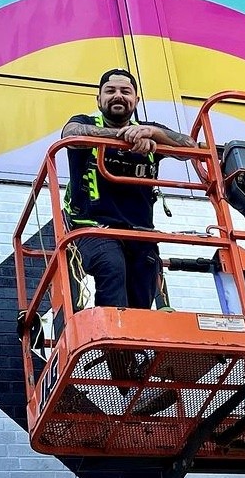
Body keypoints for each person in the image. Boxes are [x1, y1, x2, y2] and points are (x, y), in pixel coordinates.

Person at [62, 68, 195, 309]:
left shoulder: (150, 130)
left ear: (136, 99)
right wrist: (126, 137)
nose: (118, 96)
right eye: (110, 91)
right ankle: (114, 346)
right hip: (93, 229)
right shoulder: (84, 122)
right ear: (99, 99)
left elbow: (190, 148)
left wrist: (152, 133)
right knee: (112, 267)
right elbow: (69, 134)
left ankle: (131, 347)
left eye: (126, 91)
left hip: (140, 231)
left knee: (141, 298)